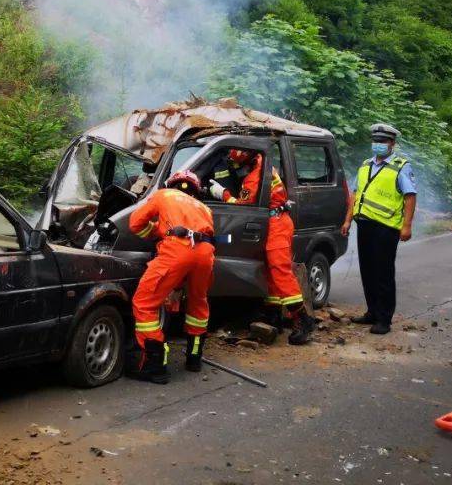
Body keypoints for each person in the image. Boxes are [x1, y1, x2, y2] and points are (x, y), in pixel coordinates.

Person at [209, 149, 315, 345]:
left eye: (235, 164)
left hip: (276, 224)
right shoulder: (261, 161)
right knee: (269, 270)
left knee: (280, 270)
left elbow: (242, 206)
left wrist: (223, 194)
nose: (234, 168)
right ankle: (273, 314)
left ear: (245, 161)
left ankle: (302, 319)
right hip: (273, 221)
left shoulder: (253, 177)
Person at [126, 170, 215, 384]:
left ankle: (155, 365)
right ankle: (194, 359)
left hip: (176, 251)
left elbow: (134, 223)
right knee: (198, 303)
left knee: (144, 304)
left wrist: (156, 233)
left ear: (171, 183)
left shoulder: (163, 194)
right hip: (206, 253)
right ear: (195, 190)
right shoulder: (205, 208)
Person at [339, 124, 417, 335]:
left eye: (383, 141)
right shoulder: (365, 165)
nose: (378, 145)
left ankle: (384, 319)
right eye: (376, 140)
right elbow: (354, 194)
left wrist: (407, 225)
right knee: (368, 271)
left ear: (392, 144)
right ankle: (372, 312)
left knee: (383, 273)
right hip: (364, 224)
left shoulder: (401, 166)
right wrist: (347, 220)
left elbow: (410, 197)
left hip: (386, 228)